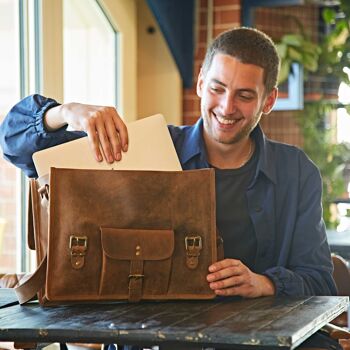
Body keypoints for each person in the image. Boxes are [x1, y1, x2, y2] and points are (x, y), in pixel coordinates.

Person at [0, 27, 342, 349]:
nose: (226, 107)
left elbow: (320, 282)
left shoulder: (297, 172)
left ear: (268, 101)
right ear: (199, 83)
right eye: (217, 88)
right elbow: (14, 144)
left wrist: (264, 283)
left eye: (245, 95)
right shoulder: (147, 147)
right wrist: (65, 112)